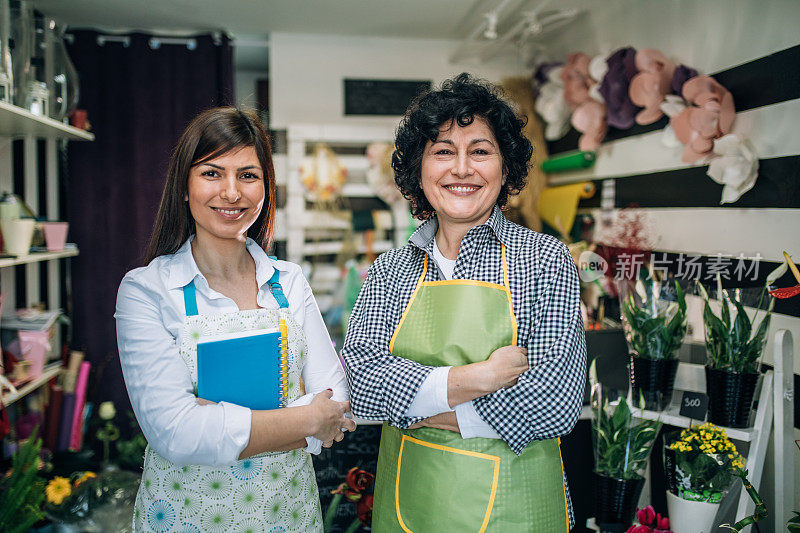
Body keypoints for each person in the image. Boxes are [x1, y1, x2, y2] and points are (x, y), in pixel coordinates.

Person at [342, 74, 586, 532]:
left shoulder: (545, 260)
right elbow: (360, 383)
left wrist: (417, 406)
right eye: (442, 151)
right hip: (408, 503)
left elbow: (554, 403)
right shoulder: (391, 269)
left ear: (505, 168)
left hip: (517, 510)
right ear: (419, 169)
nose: (461, 169)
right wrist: (479, 378)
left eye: (480, 151)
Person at [115, 107, 355, 532]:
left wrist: (216, 423)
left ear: (266, 188)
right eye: (211, 173)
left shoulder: (290, 281)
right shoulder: (147, 290)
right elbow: (176, 434)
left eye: (248, 175)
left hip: (289, 515)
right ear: (184, 188)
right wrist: (304, 420)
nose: (231, 192)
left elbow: (335, 404)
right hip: (185, 518)